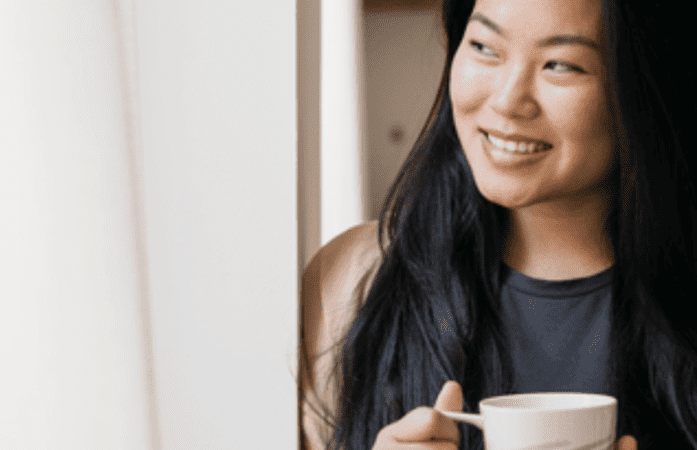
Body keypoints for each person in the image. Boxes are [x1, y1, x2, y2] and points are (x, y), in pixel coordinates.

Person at [299, 0, 697, 448]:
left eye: (561, 65)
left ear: (646, 83)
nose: (507, 101)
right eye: (485, 47)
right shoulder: (352, 285)